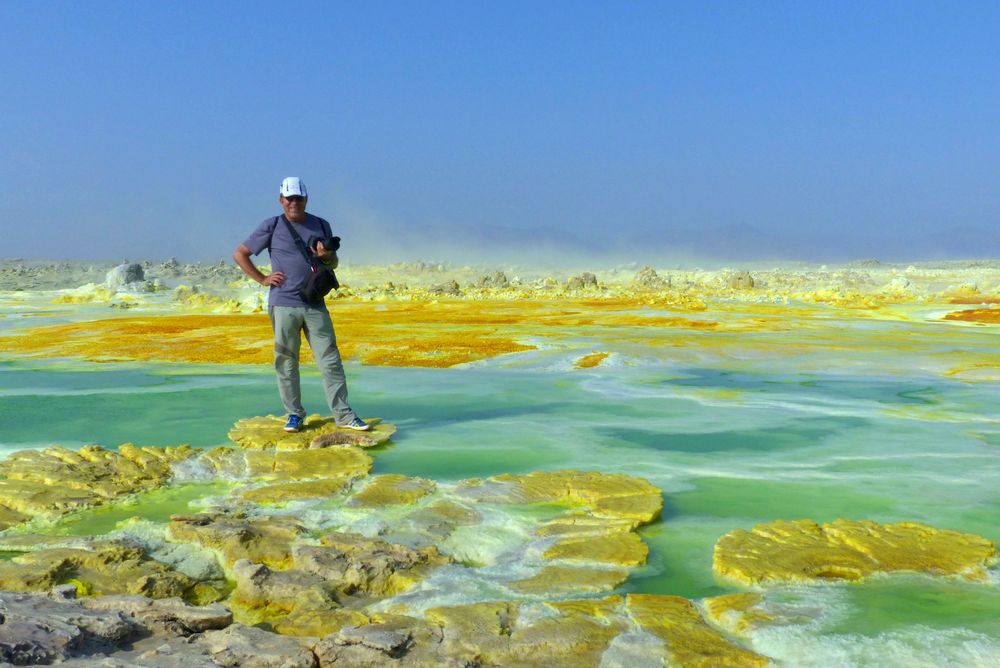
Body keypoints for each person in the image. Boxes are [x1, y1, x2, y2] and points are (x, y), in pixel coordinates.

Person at [233, 177, 369, 433]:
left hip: (315, 303)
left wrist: (326, 256)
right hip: (283, 304)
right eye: (289, 198)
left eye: (298, 198)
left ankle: (343, 415)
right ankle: (294, 414)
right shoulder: (272, 225)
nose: (294, 203)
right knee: (286, 361)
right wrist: (262, 278)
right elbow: (240, 254)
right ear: (281, 200)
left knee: (330, 361)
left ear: (306, 199)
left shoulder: (321, 224)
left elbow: (333, 264)